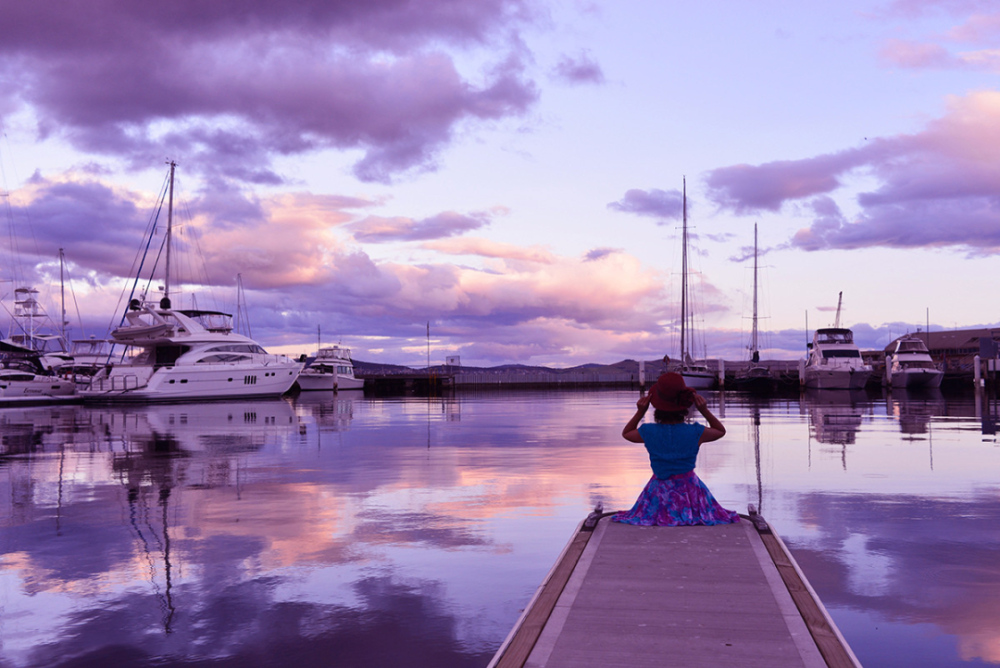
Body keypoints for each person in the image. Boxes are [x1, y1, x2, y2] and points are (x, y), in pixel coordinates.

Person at [613, 372, 740, 526]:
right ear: (684, 406)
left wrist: (640, 412)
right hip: (690, 491)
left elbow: (627, 433)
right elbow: (720, 431)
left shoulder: (648, 432)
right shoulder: (695, 432)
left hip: (659, 492)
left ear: (656, 406)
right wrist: (704, 410)